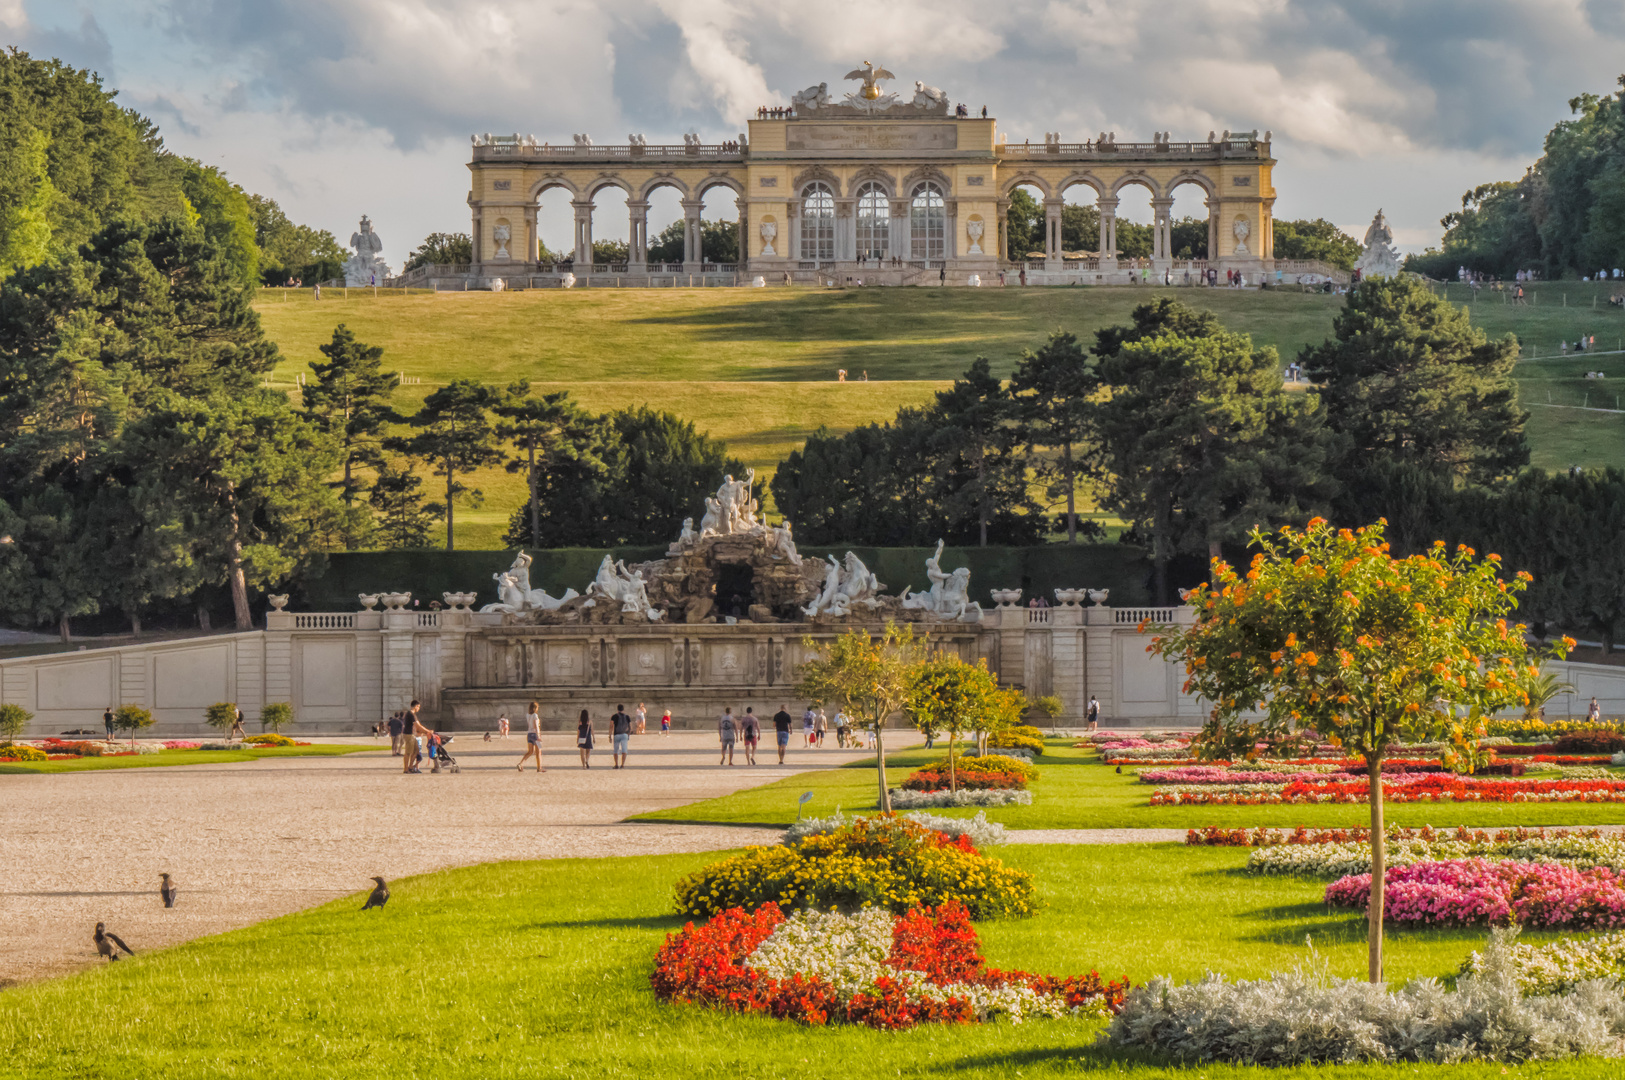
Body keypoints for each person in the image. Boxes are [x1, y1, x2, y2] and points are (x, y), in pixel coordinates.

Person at [517, 700, 544, 772]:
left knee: (530, 752)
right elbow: (536, 726)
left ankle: (521, 763)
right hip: (535, 734)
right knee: (538, 752)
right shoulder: (535, 715)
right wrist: (539, 736)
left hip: (529, 734)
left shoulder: (527, 715)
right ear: (535, 708)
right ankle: (539, 768)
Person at [402, 700, 427, 773]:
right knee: (408, 752)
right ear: (416, 706)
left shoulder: (412, 714)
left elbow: (418, 725)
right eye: (418, 707)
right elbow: (418, 725)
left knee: (416, 751)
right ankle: (406, 769)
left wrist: (424, 731)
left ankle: (410, 767)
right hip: (409, 735)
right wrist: (427, 731)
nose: (419, 708)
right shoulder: (410, 714)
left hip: (412, 735)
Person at [610, 703, 633, 769]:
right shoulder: (627, 716)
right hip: (624, 734)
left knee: (615, 750)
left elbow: (611, 726)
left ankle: (616, 764)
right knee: (624, 750)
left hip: (616, 734)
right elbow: (630, 727)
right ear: (623, 709)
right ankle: (622, 764)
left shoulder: (614, 716)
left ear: (617, 709)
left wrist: (609, 735)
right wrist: (628, 734)